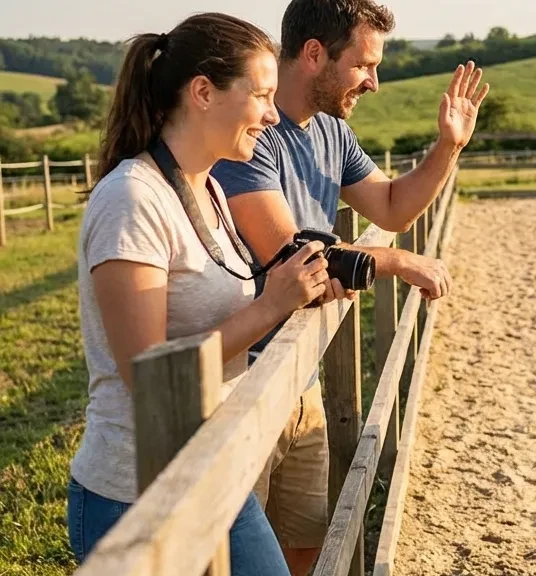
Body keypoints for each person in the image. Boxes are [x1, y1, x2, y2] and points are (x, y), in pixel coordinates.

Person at [210, 0, 489, 572]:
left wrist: (449, 146)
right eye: (364, 64)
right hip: (243, 379)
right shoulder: (250, 137)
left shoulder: (332, 132)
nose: (375, 82)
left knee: (306, 540)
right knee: (244, 557)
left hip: (299, 371)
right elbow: (292, 256)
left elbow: (392, 208)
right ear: (315, 54)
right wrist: (397, 263)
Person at [67, 13, 329, 574]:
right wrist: (273, 304)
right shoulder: (133, 199)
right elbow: (149, 372)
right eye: (260, 94)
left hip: (209, 466)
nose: (271, 112)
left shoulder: (206, 186)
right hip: (135, 494)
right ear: (203, 92)